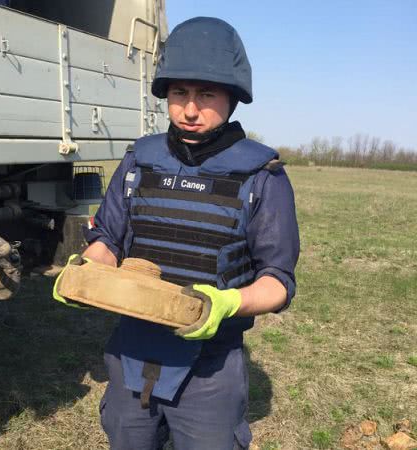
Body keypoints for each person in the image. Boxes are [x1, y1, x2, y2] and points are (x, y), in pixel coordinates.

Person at [58, 16, 299, 450]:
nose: (190, 109)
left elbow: (278, 280)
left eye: (206, 94)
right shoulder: (140, 162)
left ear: (233, 98)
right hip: (131, 348)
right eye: (179, 93)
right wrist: (85, 273)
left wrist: (227, 303)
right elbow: (109, 239)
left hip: (211, 363)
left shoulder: (262, 176)